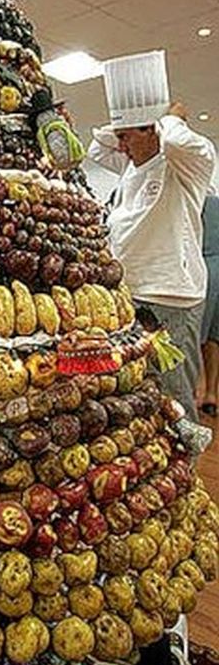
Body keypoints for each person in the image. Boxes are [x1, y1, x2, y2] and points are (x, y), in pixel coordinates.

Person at [88, 50, 216, 421]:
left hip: (172, 297)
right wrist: (127, 127)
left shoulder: (186, 165)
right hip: (132, 294)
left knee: (174, 397)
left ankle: (185, 476)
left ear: (152, 130)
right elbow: (98, 147)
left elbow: (179, 142)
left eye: (128, 137)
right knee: (139, 391)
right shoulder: (132, 165)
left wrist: (170, 118)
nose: (121, 146)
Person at [199, 194, 219, 416]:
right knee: (214, 337)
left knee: (193, 336)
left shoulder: (191, 200)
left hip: (202, 272)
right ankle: (211, 394)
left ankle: (190, 393)